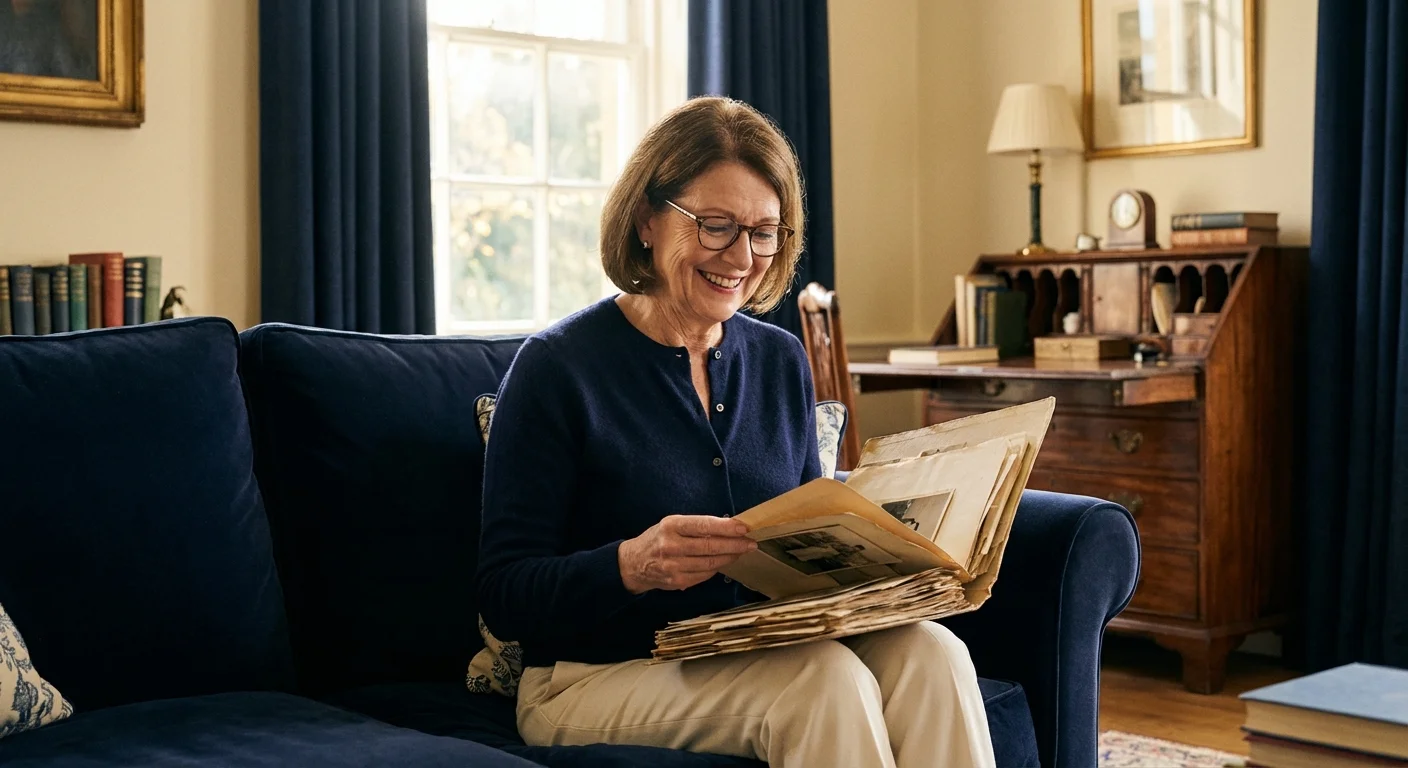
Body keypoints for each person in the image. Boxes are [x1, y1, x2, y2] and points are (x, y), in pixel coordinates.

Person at [476, 96, 997, 768]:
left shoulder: (779, 359)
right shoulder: (557, 368)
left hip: (750, 645)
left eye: (764, 231)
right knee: (824, 684)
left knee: (934, 653)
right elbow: (506, 593)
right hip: (589, 676)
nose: (743, 256)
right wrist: (630, 566)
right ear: (646, 221)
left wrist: (882, 560)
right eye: (716, 225)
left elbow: (808, 537)